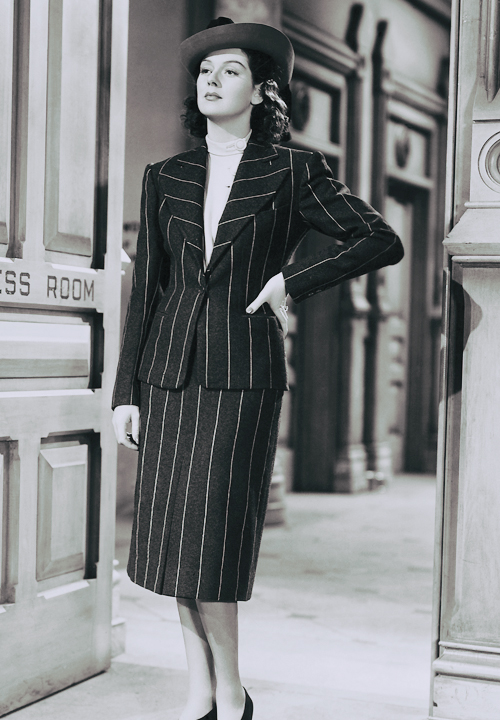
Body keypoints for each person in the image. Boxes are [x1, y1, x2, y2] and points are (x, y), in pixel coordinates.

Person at [112, 17, 404, 720]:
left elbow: (379, 238)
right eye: (204, 71)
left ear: (262, 90)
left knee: (213, 537)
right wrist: (126, 393)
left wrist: (289, 283)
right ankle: (201, 692)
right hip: (168, 375)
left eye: (231, 70)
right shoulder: (165, 177)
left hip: (242, 376)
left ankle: (231, 689)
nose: (212, 80)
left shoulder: (293, 170)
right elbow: (147, 288)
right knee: (171, 541)